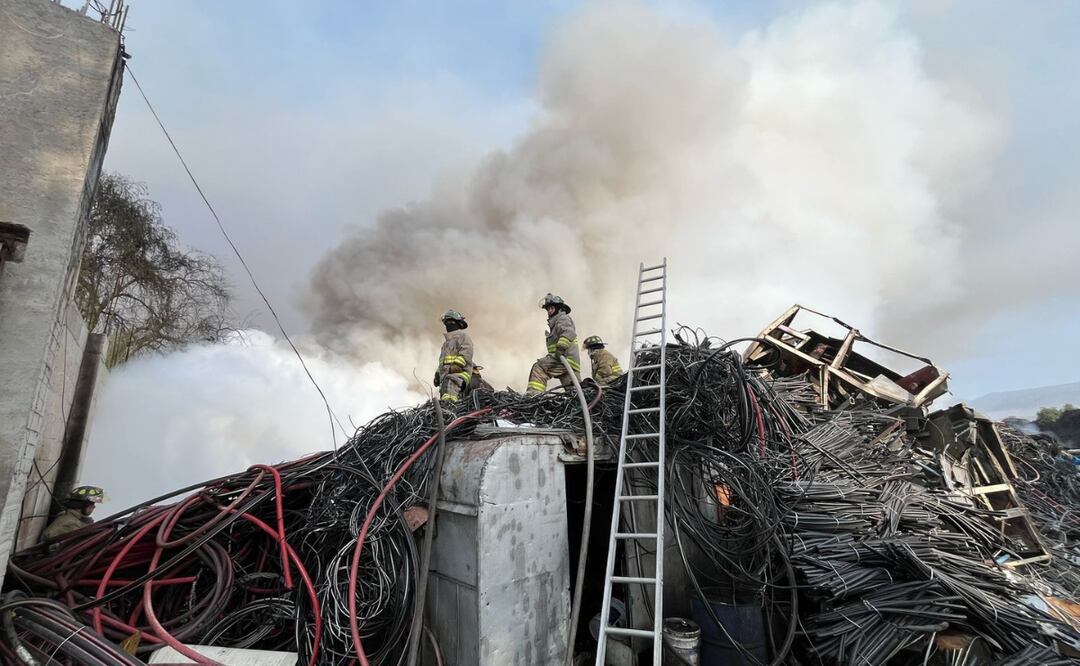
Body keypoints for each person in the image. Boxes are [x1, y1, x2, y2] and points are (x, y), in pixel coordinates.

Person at [526, 294, 581, 395]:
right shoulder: (555, 323)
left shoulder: (562, 318)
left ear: (559, 309)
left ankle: (534, 395)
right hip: (568, 362)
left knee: (539, 367)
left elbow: (568, 332)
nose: (549, 311)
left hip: (565, 359)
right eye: (548, 309)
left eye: (552, 308)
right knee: (575, 393)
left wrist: (560, 349)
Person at [434, 309, 474, 403]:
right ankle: (449, 408)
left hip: (460, 374)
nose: (449, 324)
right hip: (446, 378)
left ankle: (449, 407)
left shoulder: (463, 337)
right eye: (447, 323)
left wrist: (457, 365)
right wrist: (438, 373)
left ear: (458, 323)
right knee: (445, 393)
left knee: (449, 391)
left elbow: (466, 354)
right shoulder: (446, 344)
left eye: (451, 322)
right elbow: (443, 362)